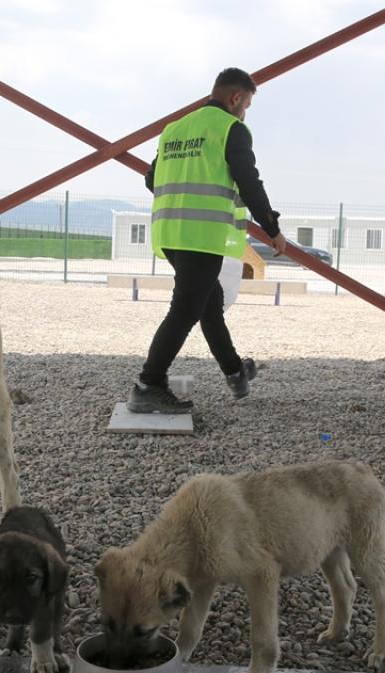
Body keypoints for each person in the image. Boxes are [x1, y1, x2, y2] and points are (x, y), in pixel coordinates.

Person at [126, 67, 288, 414]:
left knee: (209, 303)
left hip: (170, 233)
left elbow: (152, 179)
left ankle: (235, 371)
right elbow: (249, 182)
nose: (244, 112)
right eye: (246, 105)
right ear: (236, 98)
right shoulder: (232, 129)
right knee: (184, 311)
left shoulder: (176, 129)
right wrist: (271, 227)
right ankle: (148, 384)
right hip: (201, 237)